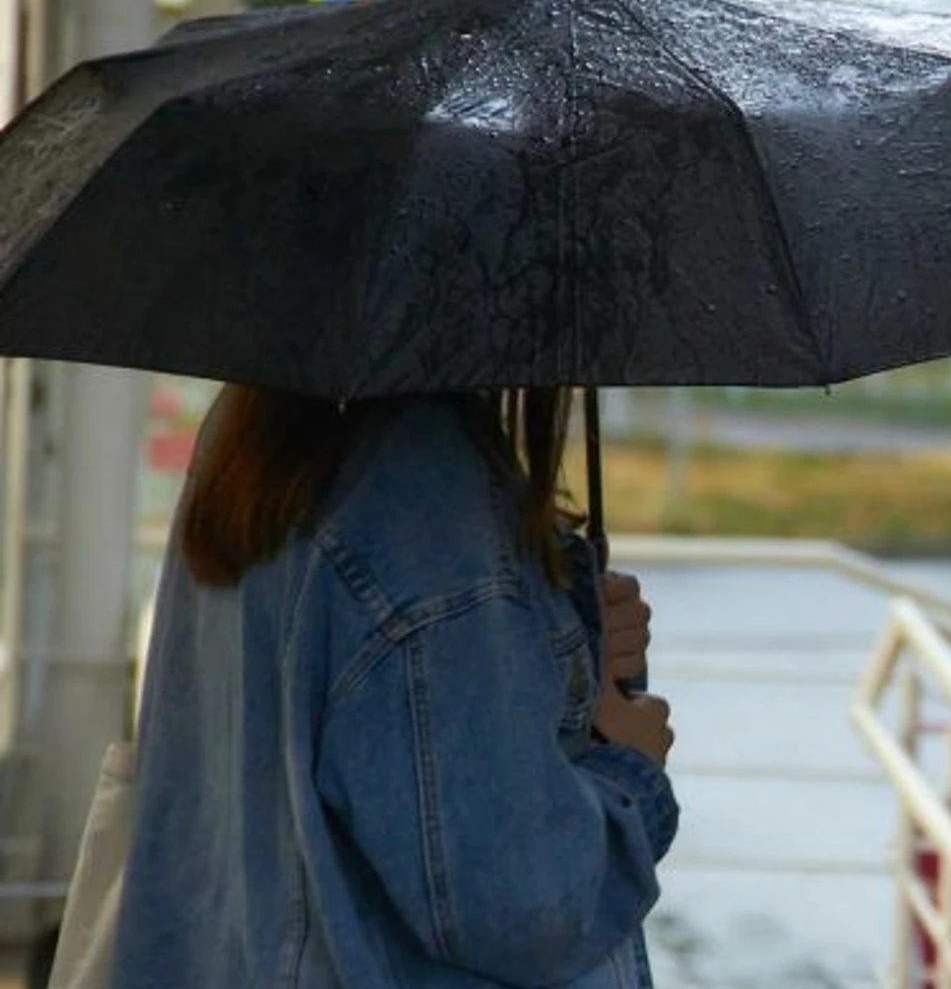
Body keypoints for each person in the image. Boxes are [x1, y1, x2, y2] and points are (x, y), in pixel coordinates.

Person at [109, 387, 678, 988]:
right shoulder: (422, 484)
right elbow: (519, 903)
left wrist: (559, 632)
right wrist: (633, 775)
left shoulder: (257, 429)